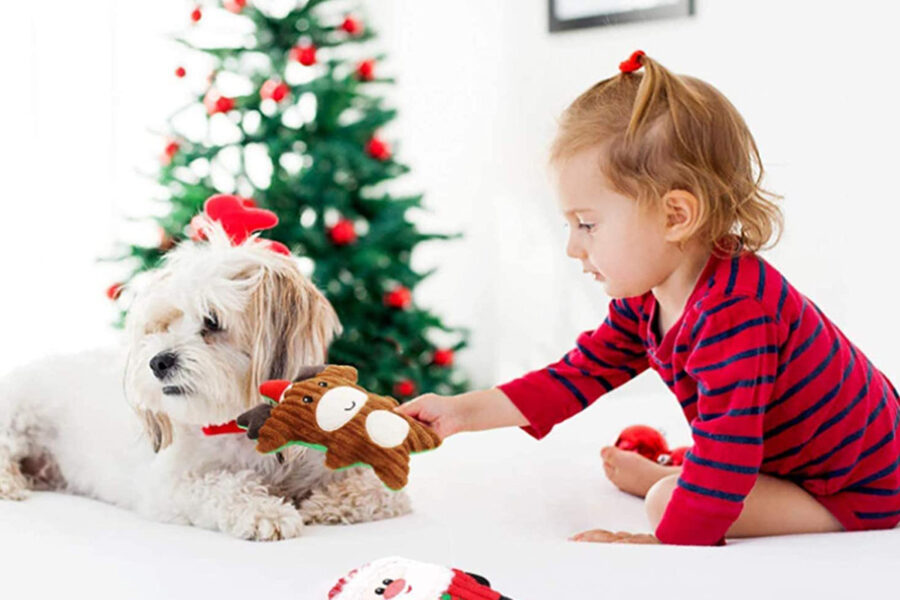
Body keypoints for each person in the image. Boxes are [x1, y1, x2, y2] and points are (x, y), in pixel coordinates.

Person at [394, 50, 900, 546]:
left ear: (676, 216)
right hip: (781, 457)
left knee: (666, 501)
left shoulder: (735, 314)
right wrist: (460, 412)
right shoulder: (649, 299)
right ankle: (673, 475)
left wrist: (661, 545)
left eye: (587, 224)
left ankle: (670, 480)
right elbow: (575, 375)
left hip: (862, 487)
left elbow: (727, 452)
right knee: (683, 482)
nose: (573, 247)